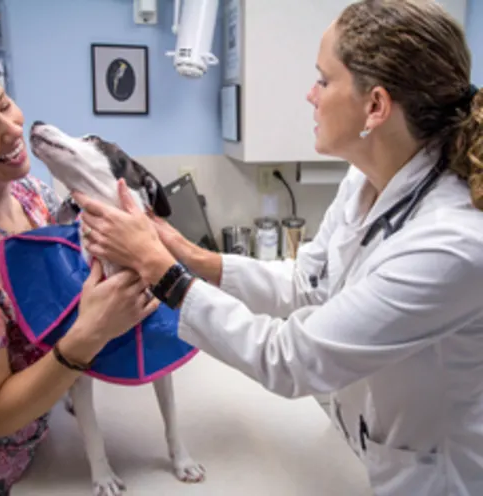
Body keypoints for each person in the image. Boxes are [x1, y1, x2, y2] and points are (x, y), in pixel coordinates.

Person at [73, 1, 483, 494]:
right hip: (363, 443)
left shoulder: (452, 244)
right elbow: (306, 282)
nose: (310, 95)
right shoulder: (364, 179)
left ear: (375, 106)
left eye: (324, 80)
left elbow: (290, 358)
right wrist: (192, 256)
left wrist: (162, 272)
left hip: (437, 476)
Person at [0, 73, 159, 495]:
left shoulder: (35, 195)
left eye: (4, 104)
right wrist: (92, 333)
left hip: (50, 437)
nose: (12, 129)